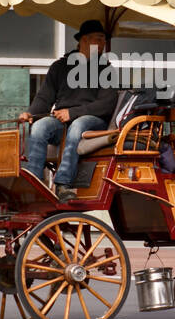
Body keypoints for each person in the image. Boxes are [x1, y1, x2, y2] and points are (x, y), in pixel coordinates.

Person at [18, 19, 119, 201]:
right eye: (99, 39)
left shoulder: (106, 70)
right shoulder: (60, 67)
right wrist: (30, 113)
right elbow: (44, 97)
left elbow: (106, 104)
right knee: (40, 127)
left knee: (78, 125)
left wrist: (72, 113)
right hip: (62, 122)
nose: (103, 44)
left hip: (93, 123)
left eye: (104, 40)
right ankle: (34, 182)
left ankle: (63, 184)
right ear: (84, 41)